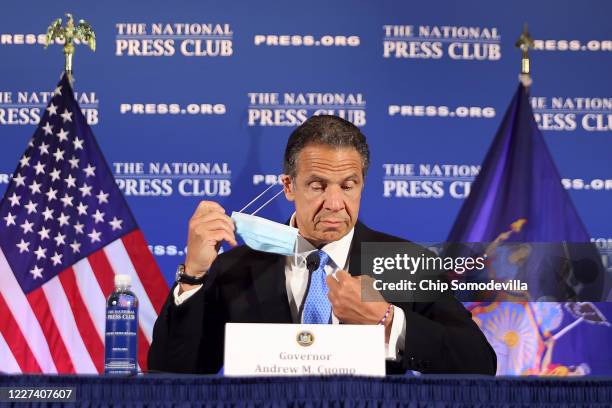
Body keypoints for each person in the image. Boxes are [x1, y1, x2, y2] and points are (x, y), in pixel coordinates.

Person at [148, 115, 497, 375]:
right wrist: (193, 274)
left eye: (348, 185)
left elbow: (479, 362)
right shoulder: (235, 267)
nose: (334, 203)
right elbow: (170, 372)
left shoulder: (405, 263)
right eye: (317, 185)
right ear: (288, 186)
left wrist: (388, 321)